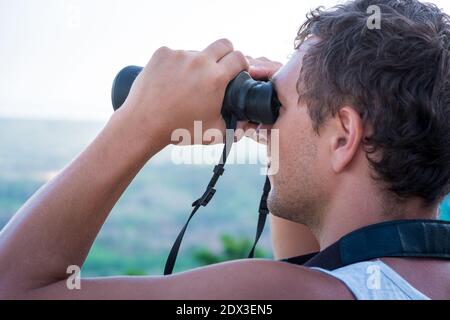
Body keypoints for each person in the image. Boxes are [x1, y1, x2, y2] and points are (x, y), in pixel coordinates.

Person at [0, 0, 449, 299]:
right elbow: (312, 256)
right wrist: (295, 114)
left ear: (344, 137)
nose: (270, 121)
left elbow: (12, 287)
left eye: (279, 107)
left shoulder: (280, 294)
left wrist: (141, 122)